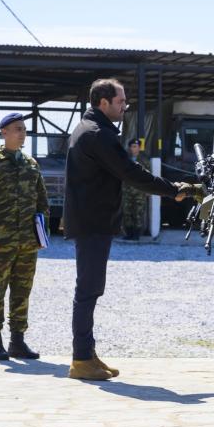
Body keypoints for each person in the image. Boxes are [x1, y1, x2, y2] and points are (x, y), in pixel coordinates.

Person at [64, 78, 192, 381]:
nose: (125, 106)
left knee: (89, 289)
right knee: (88, 290)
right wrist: (172, 190)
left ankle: (86, 354)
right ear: (103, 102)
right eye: (121, 101)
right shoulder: (98, 134)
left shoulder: (89, 129)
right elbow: (130, 172)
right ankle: (81, 359)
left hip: (91, 220)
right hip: (93, 222)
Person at [0, 112, 49, 361]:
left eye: (24, 129)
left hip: (27, 242)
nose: (22, 133)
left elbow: (41, 201)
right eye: (17, 129)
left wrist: (41, 234)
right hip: (0, 242)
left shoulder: (31, 164)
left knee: (22, 290)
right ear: (4, 133)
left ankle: (18, 341)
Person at [121, 138, 149, 241]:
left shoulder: (144, 160)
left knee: (138, 213)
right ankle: (129, 233)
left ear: (139, 148)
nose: (134, 149)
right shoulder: (125, 159)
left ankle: (136, 234)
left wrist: (148, 190)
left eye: (136, 146)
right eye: (132, 146)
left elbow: (148, 176)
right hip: (127, 190)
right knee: (127, 212)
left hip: (139, 191)